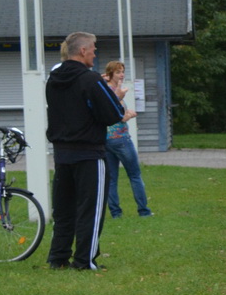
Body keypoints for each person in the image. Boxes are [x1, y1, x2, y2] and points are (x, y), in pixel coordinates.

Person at [44, 33, 125, 270]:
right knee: (91, 209)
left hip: (62, 152)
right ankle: (84, 261)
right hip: (89, 153)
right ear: (82, 51)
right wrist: (116, 98)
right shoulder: (90, 80)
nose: (95, 53)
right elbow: (113, 114)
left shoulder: (53, 79)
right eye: (93, 49)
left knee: (64, 210)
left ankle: (58, 258)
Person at [101, 61, 151, 219]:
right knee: (135, 175)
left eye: (122, 71)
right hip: (121, 139)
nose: (121, 74)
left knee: (111, 179)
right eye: (117, 72)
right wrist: (129, 115)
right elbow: (120, 117)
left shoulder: (103, 89)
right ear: (110, 74)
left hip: (106, 139)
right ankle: (144, 211)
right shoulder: (115, 92)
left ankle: (116, 213)